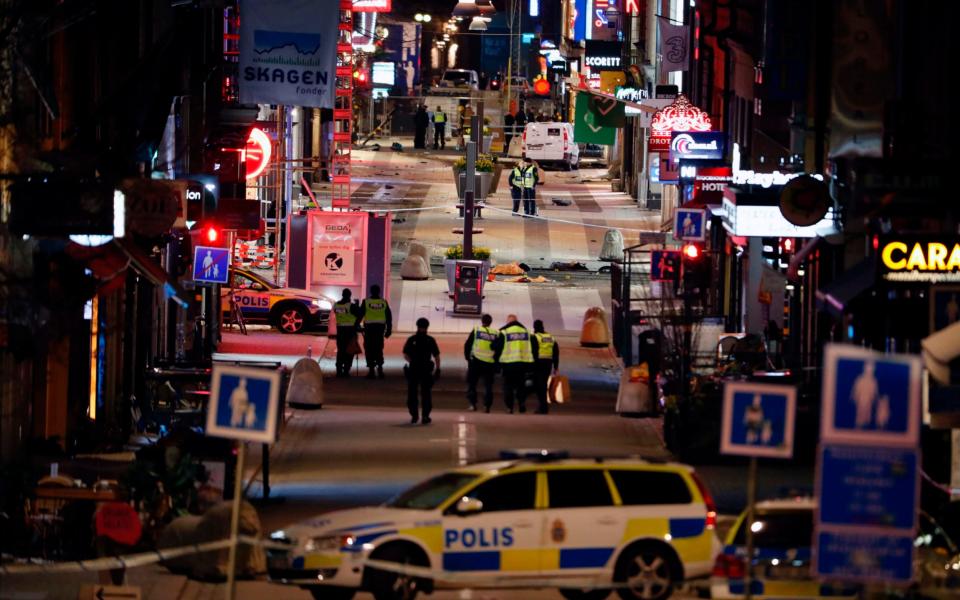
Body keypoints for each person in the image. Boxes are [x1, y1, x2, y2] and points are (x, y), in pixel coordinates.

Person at [493, 314, 538, 414]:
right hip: (523, 364)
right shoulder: (527, 332)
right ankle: (521, 403)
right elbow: (535, 348)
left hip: (508, 365)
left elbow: (496, 347)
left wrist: (496, 364)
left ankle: (510, 407)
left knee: (508, 386)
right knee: (521, 386)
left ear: (508, 323)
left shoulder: (505, 332)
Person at [403, 317, 441, 424]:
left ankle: (414, 415)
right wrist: (438, 369)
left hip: (414, 369)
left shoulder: (412, 339)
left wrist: (412, 362)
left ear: (417, 326)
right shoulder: (430, 340)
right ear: (427, 327)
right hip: (426, 370)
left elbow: (405, 355)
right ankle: (425, 416)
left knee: (412, 394)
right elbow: (436, 356)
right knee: (426, 394)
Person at [464, 314, 499, 412]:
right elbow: (498, 348)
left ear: (482, 321)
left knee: (472, 383)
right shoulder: (496, 333)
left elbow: (468, 344)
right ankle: (487, 406)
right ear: (490, 322)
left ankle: (472, 404)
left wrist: (467, 358)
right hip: (489, 362)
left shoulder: (476, 330)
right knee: (488, 385)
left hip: (476, 361)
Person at [359, 284, 392, 379]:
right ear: (379, 291)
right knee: (378, 348)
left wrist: (357, 326)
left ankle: (371, 371)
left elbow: (360, 315)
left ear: (370, 291)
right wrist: (389, 330)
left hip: (369, 329)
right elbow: (389, 317)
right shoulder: (383, 302)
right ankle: (380, 369)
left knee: (369, 349)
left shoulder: (366, 302)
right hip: (380, 329)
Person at [532, 320, 559, 414]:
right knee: (543, 384)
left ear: (534, 327)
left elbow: (533, 352)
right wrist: (556, 366)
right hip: (548, 364)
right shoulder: (550, 337)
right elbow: (556, 352)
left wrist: (531, 365)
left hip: (538, 364)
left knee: (539, 386)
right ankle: (543, 406)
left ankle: (543, 406)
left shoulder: (535, 337)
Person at [333, 289, 362, 378]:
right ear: (350, 295)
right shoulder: (351, 306)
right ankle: (346, 370)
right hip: (350, 330)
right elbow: (360, 314)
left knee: (341, 350)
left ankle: (338, 370)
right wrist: (356, 325)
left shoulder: (336, 305)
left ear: (342, 294)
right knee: (350, 350)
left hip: (340, 330)